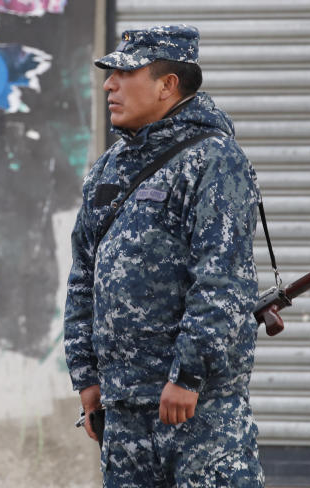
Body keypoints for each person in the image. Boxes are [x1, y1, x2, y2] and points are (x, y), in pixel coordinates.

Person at [63, 25, 264, 486]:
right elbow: (83, 275)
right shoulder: (111, 167)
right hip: (124, 411)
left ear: (167, 85)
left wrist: (189, 376)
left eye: (124, 73)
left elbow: (223, 280)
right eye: (109, 75)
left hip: (195, 412)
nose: (109, 85)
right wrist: (86, 377)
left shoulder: (213, 160)